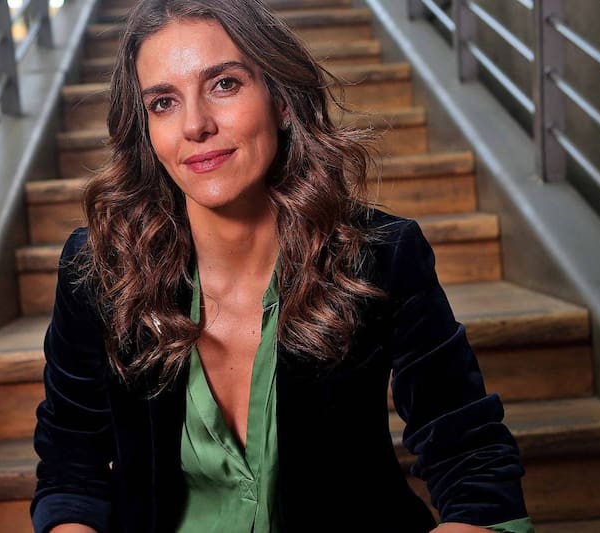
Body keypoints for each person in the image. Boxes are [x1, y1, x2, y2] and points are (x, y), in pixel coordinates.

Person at [30, 1, 534, 532]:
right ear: (146, 129)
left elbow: (473, 461)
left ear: (283, 101)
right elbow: (71, 471)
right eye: (163, 102)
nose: (195, 125)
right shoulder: (102, 271)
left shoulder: (380, 255)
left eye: (224, 84)